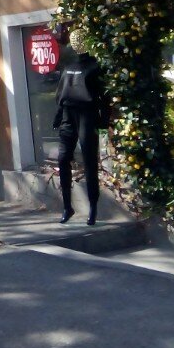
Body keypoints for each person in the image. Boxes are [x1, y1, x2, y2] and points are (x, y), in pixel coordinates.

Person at [52, 29, 109, 226]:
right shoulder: (69, 66)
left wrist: (104, 121)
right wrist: (58, 117)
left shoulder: (94, 66)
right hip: (69, 114)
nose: (76, 43)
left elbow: (104, 97)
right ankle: (67, 206)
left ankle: (93, 207)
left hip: (87, 114)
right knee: (62, 158)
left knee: (89, 160)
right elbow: (61, 94)